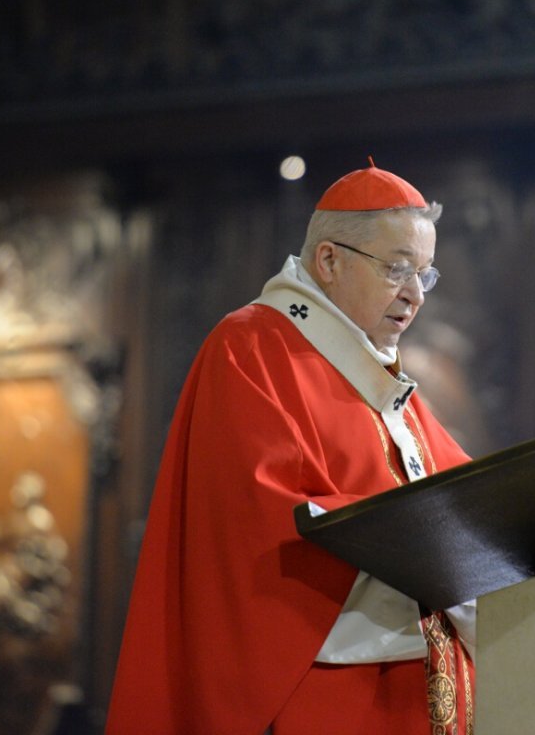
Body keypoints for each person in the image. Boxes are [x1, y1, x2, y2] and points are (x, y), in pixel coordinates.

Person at [105, 160, 476, 734]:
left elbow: (473, 501)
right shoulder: (252, 346)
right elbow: (254, 533)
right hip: (332, 696)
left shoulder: (381, 381)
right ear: (328, 260)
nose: (414, 296)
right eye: (398, 269)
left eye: (424, 275)